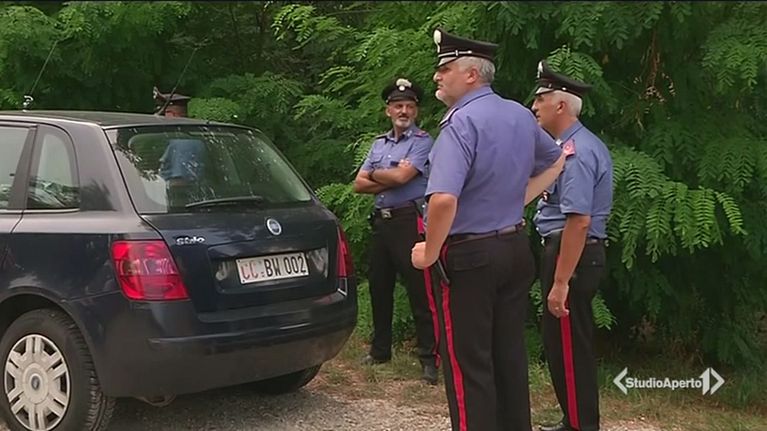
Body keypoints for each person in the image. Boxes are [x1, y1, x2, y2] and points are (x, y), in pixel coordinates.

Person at [411, 28, 566, 431]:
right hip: (514, 248)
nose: (437, 76)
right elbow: (556, 161)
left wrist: (429, 251)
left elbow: (443, 200)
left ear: (471, 74)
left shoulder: (460, 123)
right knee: (508, 357)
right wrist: (517, 201)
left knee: (469, 366)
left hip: (470, 258)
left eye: (445, 68)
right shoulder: (519, 114)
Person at [530, 60, 614, 431]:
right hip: (567, 252)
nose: (535, 106)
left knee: (568, 349)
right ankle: (574, 421)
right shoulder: (563, 147)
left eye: (541, 98)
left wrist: (561, 281)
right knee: (562, 346)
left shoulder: (575, 152)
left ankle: (581, 425)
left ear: (561, 104)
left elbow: (579, 221)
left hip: (571, 254)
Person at [353, 78, 439, 385]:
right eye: (398, 106)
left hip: (408, 222)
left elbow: (403, 177)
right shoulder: (379, 144)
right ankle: (380, 351)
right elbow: (358, 184)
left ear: (416, 111)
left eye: (410, 106)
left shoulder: (423, 141)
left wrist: (377, 174)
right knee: (379, 287)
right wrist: (389, 175)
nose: (404, 111)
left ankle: (429, 358)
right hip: (382, 222)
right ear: (388, 110)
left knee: (420, 290)